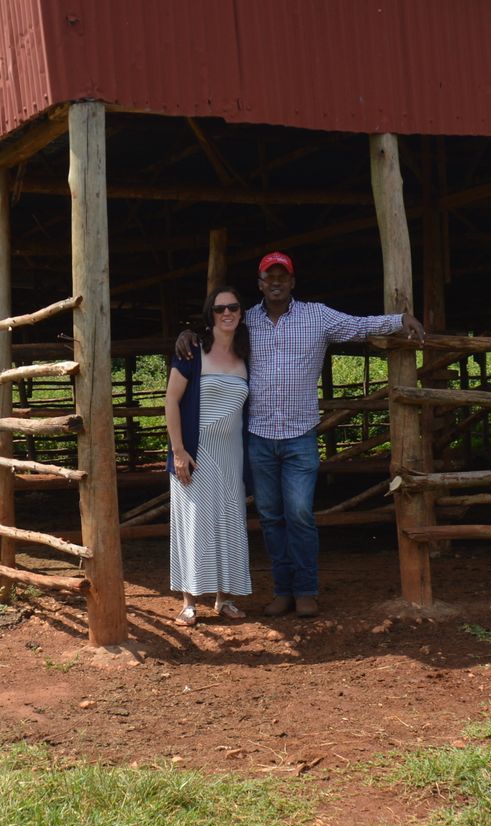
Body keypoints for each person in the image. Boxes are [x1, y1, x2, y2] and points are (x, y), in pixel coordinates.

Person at [177, 251, 424, 617]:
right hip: (258, 436)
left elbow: (360, 325)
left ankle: (306, 589)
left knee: (300, 513)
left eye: (282, 276)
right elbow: (216, 332)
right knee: (271, 516)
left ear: (292, 282)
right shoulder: (247, 323)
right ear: (260, 284)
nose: (275, 282)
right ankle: (283, 591)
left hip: (299, 436)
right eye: (268, 277)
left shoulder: (317, 316)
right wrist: (186, 333)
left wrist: (399, 319)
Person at [164, 285, 252, 624]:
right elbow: (171, 401)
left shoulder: (246, 355)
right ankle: (189, 601)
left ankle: (225, 599)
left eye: (232, 307)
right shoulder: (192, 352)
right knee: (195, 524)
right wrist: (179, 451)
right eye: (219, 309)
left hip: (232, 455)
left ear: (241, 313)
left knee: (230, 521)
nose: (226, 313)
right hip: (195, 453)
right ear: (210, 315)